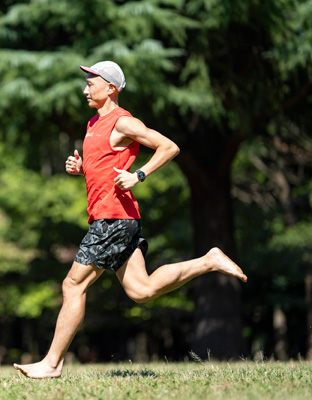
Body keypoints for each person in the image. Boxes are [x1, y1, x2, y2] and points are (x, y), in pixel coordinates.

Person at [13, 61, 248, 379]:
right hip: (118, 217)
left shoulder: (123, 122)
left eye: (90, 83)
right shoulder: (93, 123)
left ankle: (51, 364)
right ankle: (209, 260)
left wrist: (139, 174)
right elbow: (103, 164)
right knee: (142, 290)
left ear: (111, 87)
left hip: (113, 218)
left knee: (72, 285)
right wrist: (81, 169)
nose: (85, 89)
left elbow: (169, 146)